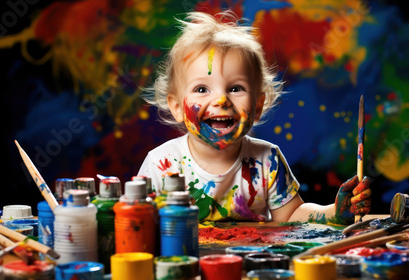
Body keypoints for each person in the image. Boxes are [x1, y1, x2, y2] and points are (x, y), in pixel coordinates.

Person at [138, 11, 371, 224]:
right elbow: (139, 221)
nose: (221, 100)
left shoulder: (266, 161)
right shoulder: (161, 165)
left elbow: (290, 215)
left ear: (258, 106)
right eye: (202, 89)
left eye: (236, 88)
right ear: (177, 107)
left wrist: (334, 212)